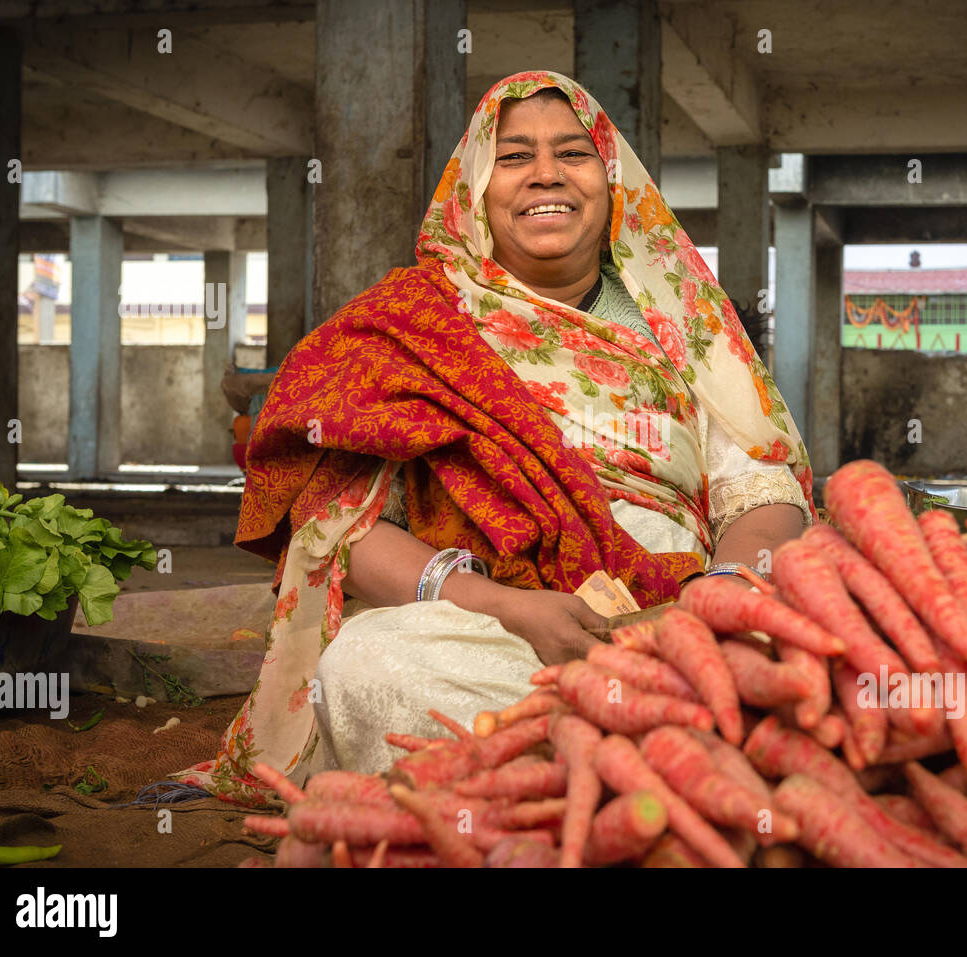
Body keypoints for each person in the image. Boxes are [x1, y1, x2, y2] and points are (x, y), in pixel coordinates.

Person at [173, 70, 814, 804]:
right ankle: (636, 773)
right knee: (368, 666)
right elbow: (336, 520)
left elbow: (763, 485)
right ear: (474, 186)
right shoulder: (413, 321)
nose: (546, 173)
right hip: (487, 629)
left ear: (611, 182)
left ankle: (607, 766)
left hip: (675, 624)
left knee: (816, 659)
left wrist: (716, 604)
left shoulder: (685, 328)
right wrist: (510, 608)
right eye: (513, 157)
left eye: (573, 153)